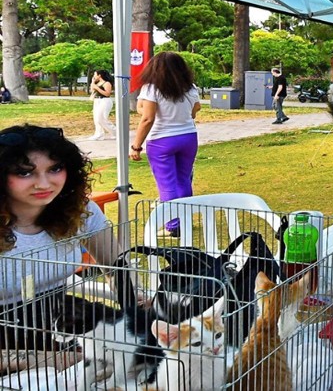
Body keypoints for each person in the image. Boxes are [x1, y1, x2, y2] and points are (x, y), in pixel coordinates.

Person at [0, 125, 118, 370]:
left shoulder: (80, 211)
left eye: (55, 169)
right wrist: (38, 361)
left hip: (60, 328)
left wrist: (138, 306)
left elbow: (117, 267)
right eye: (24, 173)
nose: (44, 183)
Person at [130, 52, 201, 237]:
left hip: (161, 141)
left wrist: (136, 146)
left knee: (167, 184)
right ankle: (184, 221)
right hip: (188, 137)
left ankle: (173, 226)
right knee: (183, 180)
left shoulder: (152, 88)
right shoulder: (190, 87)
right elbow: (196, 109)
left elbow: (147, 118)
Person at [87, 69, 116, 140]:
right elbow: (92, 90)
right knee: (96, 118)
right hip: (97, 100)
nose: (94, 76)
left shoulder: (106, 83)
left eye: (95, 74)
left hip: (104, 101)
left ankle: (115, 132)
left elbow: (107, 93)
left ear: (99, 75)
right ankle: (99, 134)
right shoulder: (97, 83)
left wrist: (97, 88)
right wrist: (93, 82)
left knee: (101, 118)